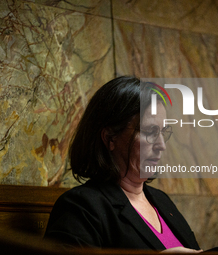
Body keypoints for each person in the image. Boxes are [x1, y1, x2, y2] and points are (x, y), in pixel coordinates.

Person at [44, 76, 201, 253]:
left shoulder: (162, 201)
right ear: (110, 138)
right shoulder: (81, 207)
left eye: (163, 132)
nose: (161, 145)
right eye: (150, 131)